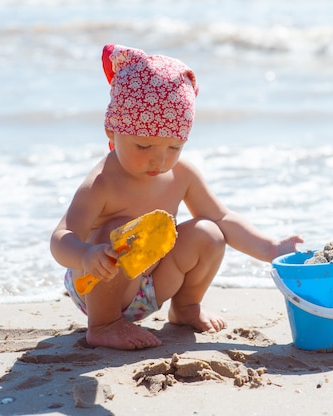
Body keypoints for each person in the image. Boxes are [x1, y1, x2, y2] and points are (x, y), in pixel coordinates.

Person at [50, 44, 303, 351]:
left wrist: (271, 248)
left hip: (152, 284)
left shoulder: (182, 174)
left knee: (209, 232)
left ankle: (185, 308)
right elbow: (61, 238)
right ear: (111, 132)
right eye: (144, 147)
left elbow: (222, 218)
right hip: (96, 284)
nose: (159, 161)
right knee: (114, 231)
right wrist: (86, 255)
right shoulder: (103, 182)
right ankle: (103, 326)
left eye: (173, 148)